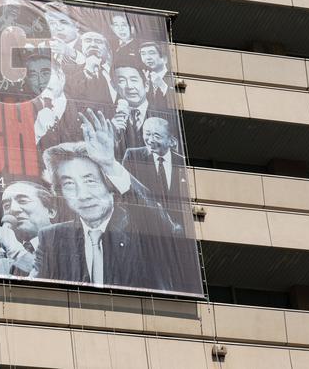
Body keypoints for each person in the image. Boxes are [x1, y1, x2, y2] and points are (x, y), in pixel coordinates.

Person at [31, 109, 199, 293]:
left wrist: (109, 164)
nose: (83, 194)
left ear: (110, 184)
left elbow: (155, 216)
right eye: (69, 184)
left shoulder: (142, 228)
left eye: (90, 181)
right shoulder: (51, 238)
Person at [122, 117, 188, 226]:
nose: (150, 140)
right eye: (147, 134)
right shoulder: (132, 156)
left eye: (156, 136)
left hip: (177, 232)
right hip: (142, 226)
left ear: (171, 141)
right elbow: (124, 191)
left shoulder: (182, 162)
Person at [0, 180, 57, 277]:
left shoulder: (72, 245)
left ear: (51, 211)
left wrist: (16, 252)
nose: (13, 209)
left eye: (23, 201)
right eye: (7, 206)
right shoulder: (0, 260)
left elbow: (55, 276)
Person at [111, 58, 156, 159]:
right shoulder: (109, 118)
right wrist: (112, 134)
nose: (129, 86)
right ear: (114, 86)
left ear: (147, 85)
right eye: (122, 81)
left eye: (134, 80)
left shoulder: (162, 115)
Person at [66, 31, 117, 105]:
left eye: (98, 41)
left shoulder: (117, 73)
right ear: (81, 46)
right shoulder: (70, 74)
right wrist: (89, 69)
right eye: (88, 41)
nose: (93, 45)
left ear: (107, 48)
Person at [138, 41, 171, 110]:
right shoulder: (145, 78)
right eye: (143, 54)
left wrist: (162, 85)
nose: (147, 57)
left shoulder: (173, 76)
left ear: (163, 57)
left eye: (151, 53)